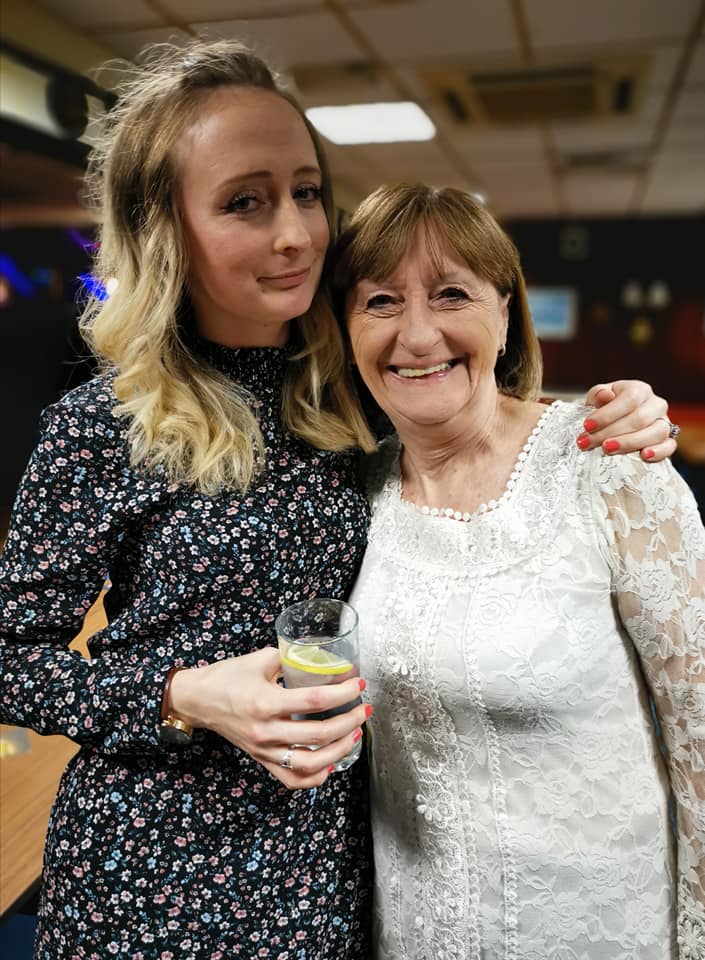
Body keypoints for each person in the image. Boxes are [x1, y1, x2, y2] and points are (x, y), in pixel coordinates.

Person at [0, 37, 679, 958]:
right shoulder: (105, 422)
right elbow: (12, 658)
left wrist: (609, 415)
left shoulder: (344, 391)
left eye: (307, 192)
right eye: (245, 202)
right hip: (156, 873)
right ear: (168, 230)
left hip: (334, 868)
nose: (295, 233)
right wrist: (183, 695)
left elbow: (469, 397)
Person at [331, 182, 705, 960]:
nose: (417, 333)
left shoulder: (607, 466)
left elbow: (698, 731)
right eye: (380, 302)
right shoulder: (350, 496)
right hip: (411, 935)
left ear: (505, 313)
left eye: (451, 294)